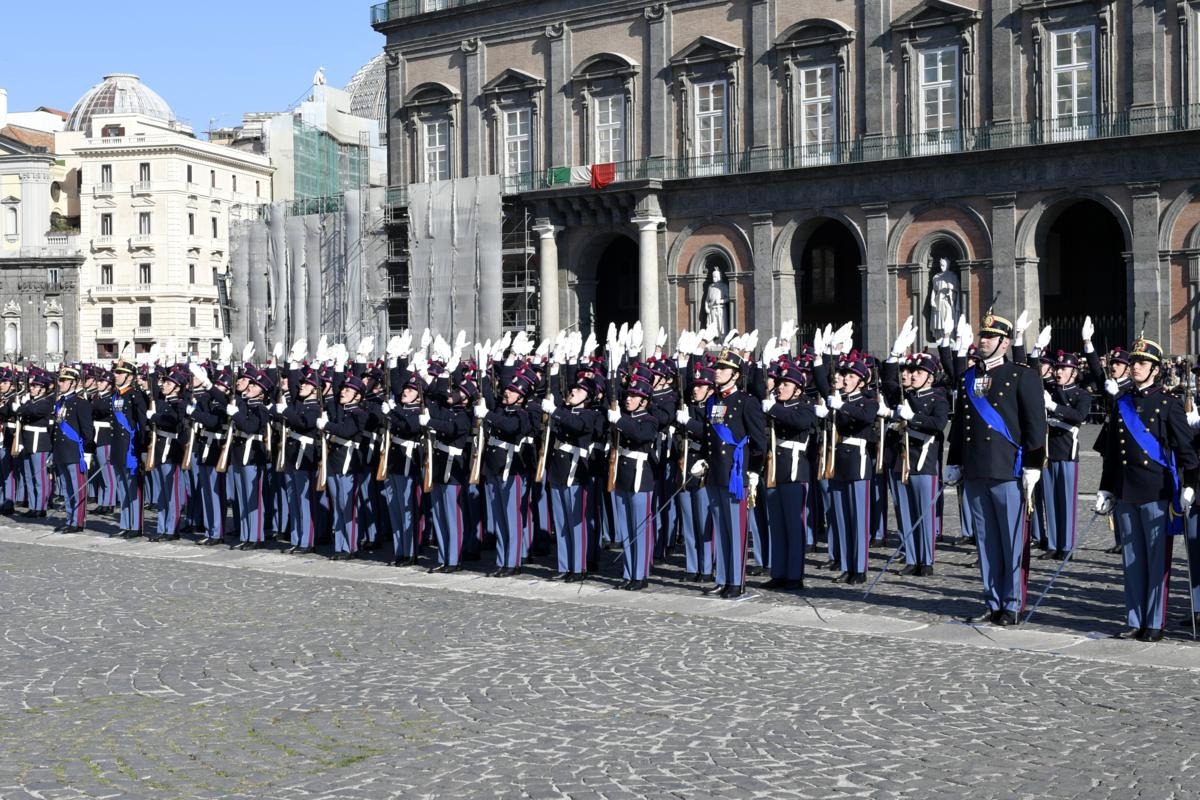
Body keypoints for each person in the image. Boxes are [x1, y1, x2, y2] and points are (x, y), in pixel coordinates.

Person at [946, 312, 1047, 627]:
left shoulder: (1023, 375)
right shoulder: (968, 378)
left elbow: (1035, 425)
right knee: (987, 540)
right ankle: (992, 601)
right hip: (976, 470)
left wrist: (1033, 465)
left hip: (1008, 470)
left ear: (1004, 343)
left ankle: (1013, 603)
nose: (983, 340)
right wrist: (954, 461)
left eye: (990, 337)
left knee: (1011, 539)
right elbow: (961, 425)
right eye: (982, 335)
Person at [1096, 338, 1198, 642]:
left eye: (1142, 363)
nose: (1135, 367)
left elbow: (1187, 452)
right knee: (1132, 561)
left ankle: (1154, 623)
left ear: (1155, 369)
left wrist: (1190, 485)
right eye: (1134, 362)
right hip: (1127, 491)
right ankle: (1134, 619)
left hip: (1157, 492)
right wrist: (1105, 489)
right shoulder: (1122, 401)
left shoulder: (1169, 404)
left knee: (1156, 563)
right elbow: (1113, 453)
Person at [691, 348, 767, 598]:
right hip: (715, 474)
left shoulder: (746, 402)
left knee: (735, 529)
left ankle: (736, 581)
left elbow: (759, 442)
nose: (717, 372)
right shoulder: (713, 401)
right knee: (721, 528)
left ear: (735, 375)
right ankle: (723, 578)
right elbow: (709, 438)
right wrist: (703, 459)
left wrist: (753, 472)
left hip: (736, 475)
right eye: (718, 368)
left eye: (723, 369)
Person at [761, 361, 818, 590]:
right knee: (777, 524)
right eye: (781, 383)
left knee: (794, 526)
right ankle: (779, 572)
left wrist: (773, 409)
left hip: (795, 470)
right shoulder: (775, 406)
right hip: (775, 469)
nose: (781, 387)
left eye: (787, 384)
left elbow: (800, 422)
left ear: (798, 389)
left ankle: (795, 575)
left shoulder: (804, 406)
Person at [608, 374, 660, 591]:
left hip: (640, 477)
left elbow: (640, 436)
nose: (628, 399)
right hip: (622, 475)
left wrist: (619, 420)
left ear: (644, 401)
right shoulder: (623, 418)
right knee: (627, 528)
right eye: (628, 395)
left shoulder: (649, 420)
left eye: (634, 396)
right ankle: (629, 572)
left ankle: (641, 574)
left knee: (640, 529)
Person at [1041, 351, 1092, 559]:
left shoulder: (1081, 395)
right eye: (1058, 368)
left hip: (1067, 452)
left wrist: (1053, 405)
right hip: (1047, 451)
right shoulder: (1049, 389)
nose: (1059, 371)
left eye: (1064, 368)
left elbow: (1079, 415)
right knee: (1050, 501)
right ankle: (1053, 544)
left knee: (1066, 501)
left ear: (1074, 372)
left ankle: (1067, 545)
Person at [51, 365, 94, 533]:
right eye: (60, 380)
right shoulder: (60, 402)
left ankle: (78, 522)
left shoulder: (80, 404)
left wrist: (88, 453)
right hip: (62, 452)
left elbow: (87, 431)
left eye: (64, 381)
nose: (60, 383)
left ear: (74, 383)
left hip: (75, 452)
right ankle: (70, 519)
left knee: (78, 488)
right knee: (67, 489)